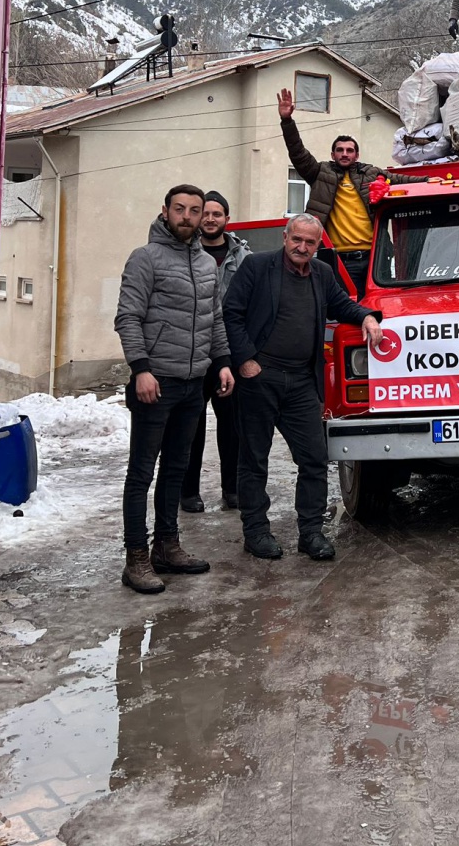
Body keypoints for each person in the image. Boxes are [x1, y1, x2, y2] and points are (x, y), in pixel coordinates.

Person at [223, 214, 383, 562]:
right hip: (260, 378)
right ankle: (256, 532)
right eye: (297, 239)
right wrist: (245, 360)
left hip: (301, 382)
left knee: (314, 458)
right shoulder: (256, 267)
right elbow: (231, 314)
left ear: (318, 245)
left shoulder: (322, 273)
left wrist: (367, 316)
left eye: (310, 242)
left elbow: (341, 304)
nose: (302, 247)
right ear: (285, 237)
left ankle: (311, 533)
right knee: (253, 459)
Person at [114, 184, 234, 595]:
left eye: (194, 210)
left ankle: (167, 546)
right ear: (165, 211)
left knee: (176, 469)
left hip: (192, 385)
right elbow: (128, 317)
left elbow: (215, 320)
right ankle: (136, 558)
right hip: (155, 383)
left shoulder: (205, 264)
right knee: (141, 472)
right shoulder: (145, 258)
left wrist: (222, 362)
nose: (187, 216)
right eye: (179, 209)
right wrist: (141, 369)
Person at [279, 95, 399, 297]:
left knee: (378, 305)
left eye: (349, 150)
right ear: (332, 154)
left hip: (376, 258)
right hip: (340, 260)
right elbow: (297, 153)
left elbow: (401, 179)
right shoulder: (320, 173)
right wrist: (287, 121)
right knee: (345, 307)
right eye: (340, 150)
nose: (344, 154)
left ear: (356, 155)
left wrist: (435, 179)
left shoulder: (370, 173)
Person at [179, 191, 251, 514]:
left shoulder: (243, 256)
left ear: (227, 219)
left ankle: (232, 489)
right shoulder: (184, 253)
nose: (210, 219)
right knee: (190, 427)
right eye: (205, 213)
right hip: (192, 353)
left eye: (216, 214)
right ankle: (188, 492)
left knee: (232, 425)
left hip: (229, 355)